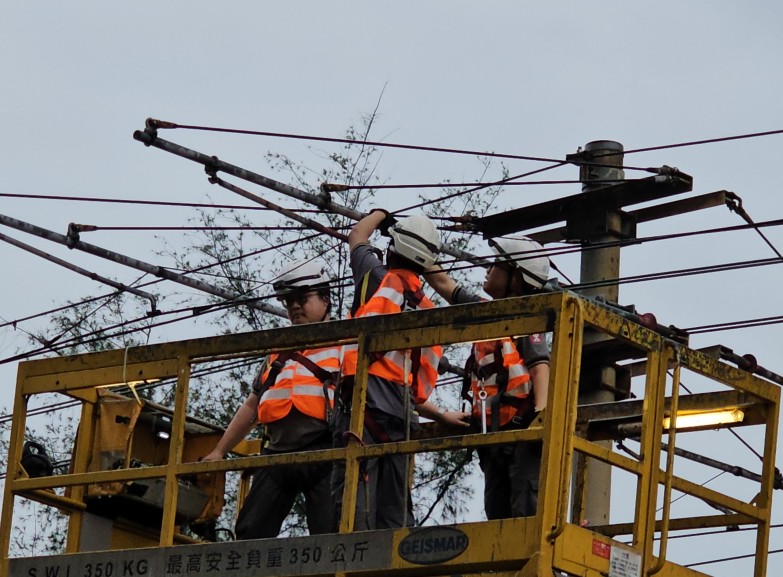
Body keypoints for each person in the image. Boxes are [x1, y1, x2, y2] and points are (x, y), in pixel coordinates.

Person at [333, 209, 469, 530]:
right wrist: (442, 415)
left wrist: (380, 214)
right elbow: (416, 388)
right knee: (394, 508)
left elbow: (357, 237)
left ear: (391, 250)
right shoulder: (427, 310)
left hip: (361, 407)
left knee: (353, 500)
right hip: (402, 417)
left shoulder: (375, 278)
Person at [202, 260, 338, 538]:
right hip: (278, 453)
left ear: (326, 299)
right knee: (250, 531)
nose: (295, 307)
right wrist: (220, 450)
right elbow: (252, 406)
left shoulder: (346, 343)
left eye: (302, 298)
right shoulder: (278, 354)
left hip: (326, 453)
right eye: (289, 302)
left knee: (330, 535)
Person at [423, 236, 551, 520]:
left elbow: (540, 365)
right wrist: (417, 252)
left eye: (495, 265)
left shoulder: (526, 318)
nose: (487, 271)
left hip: (521, 433)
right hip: (492, 436)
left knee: (525, 512)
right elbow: (447, 286)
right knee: (496, 511)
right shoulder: (485, 312)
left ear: (515, 279)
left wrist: (540, 416)